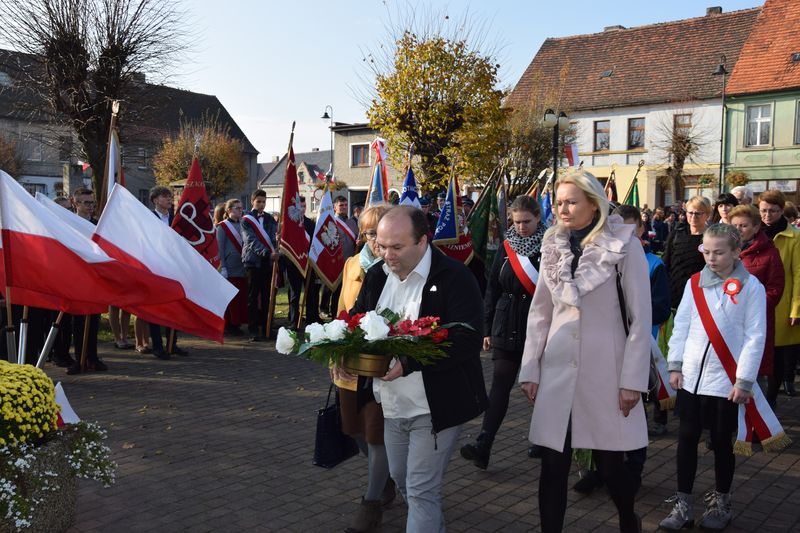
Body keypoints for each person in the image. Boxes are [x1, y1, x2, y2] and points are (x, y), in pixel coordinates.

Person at [519, 171, 650, 533]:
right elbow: (541, 312)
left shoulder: (624, 243)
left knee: (610, 465)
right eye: (559, 201)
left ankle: (628, 519)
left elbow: (640, 318)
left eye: (572, 201)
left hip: (606, 372)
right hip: (558, 370)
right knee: (552, 465)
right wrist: (530, 368)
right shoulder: (551, 245)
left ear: (595, 204)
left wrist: (632, 382)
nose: (563, 208)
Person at [351, 205, 488, 532]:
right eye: (382, 246)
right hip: (391, 404)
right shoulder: (376, 275)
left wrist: (409, 363)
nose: (387, 255)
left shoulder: (454, 277)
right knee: (401, 479)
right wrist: (347, 353)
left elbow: (466, 339)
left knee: (422, 489)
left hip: (435, 406)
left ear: (423, 241)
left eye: (397, 247)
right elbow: (358, 320)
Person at [660, 224, 765, 531]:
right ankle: (682, 504)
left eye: (719, 252)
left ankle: (721, 501)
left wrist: (744, 380)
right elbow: (681, 327)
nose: (712, 258)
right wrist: (675, 365)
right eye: (707, 251)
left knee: (720, 441)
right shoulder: (695, 283)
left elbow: (755, 336)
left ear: (736, 252)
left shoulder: (752, 287)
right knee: (686, 439)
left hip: (726, 381)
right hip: (692, 377)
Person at [460, 195, 546, 470]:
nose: (521, 227)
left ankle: (545, 439)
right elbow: (492, 287)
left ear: (538, 218)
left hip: (537, 323)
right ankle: (484, 443)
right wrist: (486, 326)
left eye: (526, 222)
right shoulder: (507, 246)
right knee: (500, 384)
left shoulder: (550, 245)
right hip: (505, 322)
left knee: (539, 387)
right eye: (516, 222)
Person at [332, 205, 393, 532]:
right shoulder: (352, 264)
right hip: (351, 362)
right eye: (369, 233)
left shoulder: (398, 267)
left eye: (378, 233)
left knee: (375, 435)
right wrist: (336, 350)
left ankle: (372, 503)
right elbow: (343, 310)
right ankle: (385, 478)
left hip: (382, 364)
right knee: (353, 429)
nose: (374, 241)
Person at [729, 204, 784, 405]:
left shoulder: (769, 253)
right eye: (734, 225)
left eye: (743, 225)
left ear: (755, 227)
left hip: (754, 322)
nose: (738, 230)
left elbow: (775, 289)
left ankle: (755, 426)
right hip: (728, 322)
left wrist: (751, 309)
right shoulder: (724, 250)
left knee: (752, 372)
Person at [759, 190, 800, 397]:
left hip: (782, 304)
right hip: (756, 301)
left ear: (782, 210)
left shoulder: (794, 237)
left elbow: (798, 274)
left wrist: (796, 308)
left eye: (772, 211)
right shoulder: (754, 232)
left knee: (776, 357)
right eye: (763, 210)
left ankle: (772, 399)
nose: (767, 215)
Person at [67, 188, 107, 374]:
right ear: (74, 203)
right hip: (75, 278)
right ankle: (79, 358)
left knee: (94, 320)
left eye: (92, 202)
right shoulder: (67, 225)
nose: (90, 206)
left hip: (94, 278)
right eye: (85, 202)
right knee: (77, 321)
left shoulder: (99, 226)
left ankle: (92, 357)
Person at [148, 186, 188, 359]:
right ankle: (157, 346)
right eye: (165, 197)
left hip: (173, 268)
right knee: (155, 308)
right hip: (155, 268)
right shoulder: (149, 217)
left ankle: (172, 343)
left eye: (170, 197)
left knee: (174, 306)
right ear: (155, 199)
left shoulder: (175, 219)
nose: (169, 200)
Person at [241, 189, 279, 342]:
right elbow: (250, 240)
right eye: (259, 202)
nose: (261, 204)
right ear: (252, 202)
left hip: (267, 263)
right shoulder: (246, 220)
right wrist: (266, 252)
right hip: (252, 261)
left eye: (264, 202)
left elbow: (273, 236)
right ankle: (253, 329)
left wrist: (276, 245)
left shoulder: (270, 219)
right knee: (252, 296)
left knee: (266, 296)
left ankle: (266, 327)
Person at [663, 196, 711, 310]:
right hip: (675, 292)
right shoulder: (676, 234)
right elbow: (666, 261)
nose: (693, 216)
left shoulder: (712, 237)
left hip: (701, 293)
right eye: (690, 213)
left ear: (707, 215)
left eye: (698, 213)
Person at [284, 197, 320, 327]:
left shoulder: (310, 223)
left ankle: (311, 319)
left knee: (310, 292)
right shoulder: (289, 224)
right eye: (300, 206)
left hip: (308, 263)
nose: (303, 209)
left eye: (304, 206)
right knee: (294, 293)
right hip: (293, 263)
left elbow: (314, 243)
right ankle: (294, 320)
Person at [216, 199, 247, 336]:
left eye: (241, 208)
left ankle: (238, 322)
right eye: (237, 208)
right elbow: (220, 248)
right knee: (232, 298)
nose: (240, 210)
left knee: (241, 296)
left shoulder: (244, 224)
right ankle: (230, 324)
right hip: (230, 266)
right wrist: (223, 267)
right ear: (228, 210)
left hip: (243, 265)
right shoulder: (222, 227)